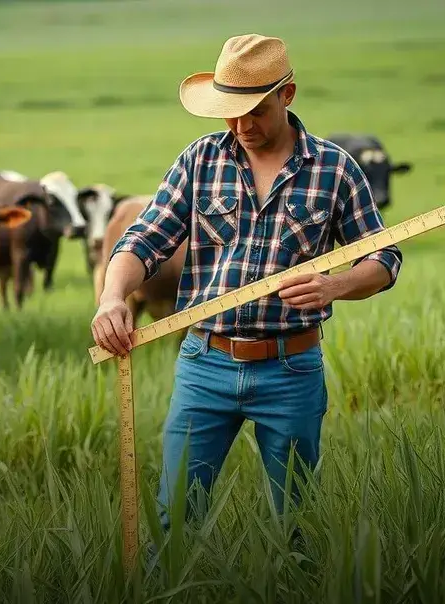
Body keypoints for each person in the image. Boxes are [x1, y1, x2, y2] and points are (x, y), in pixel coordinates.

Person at [90, 34, 403, 546]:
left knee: (297, 525)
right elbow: (142, 241)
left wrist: (337, 285)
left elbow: (385, 257)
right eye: (229, 113)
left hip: (291, 370)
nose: (241, 126)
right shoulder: (200, 161)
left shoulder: (335, 170)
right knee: (172, 520)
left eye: (254, 110)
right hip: (204, 365)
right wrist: (112, 298)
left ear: (288, 94)